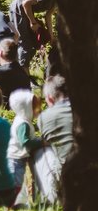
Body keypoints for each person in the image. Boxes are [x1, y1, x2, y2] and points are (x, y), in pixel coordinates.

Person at [32, 75, 73, 203]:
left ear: (49, 98)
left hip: (68, 172)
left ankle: (50, 199)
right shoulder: (87, 108)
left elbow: (47, 143)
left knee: (40, 152)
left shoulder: (44, 118)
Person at [9, 0, 56, 70]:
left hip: (27, 10)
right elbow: (25, 3)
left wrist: (51, 36)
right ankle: (23, 78)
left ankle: (24, 73)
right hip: (18, 8)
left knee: (34, 43)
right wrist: (33, 22)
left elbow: (48, 15)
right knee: (25, 42)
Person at [7, 89, 42, 192]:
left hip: (17, 159)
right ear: (26, 108)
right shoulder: (23, 124)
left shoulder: (22, 119)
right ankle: (12, 205)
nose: (38, 110)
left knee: (17, 184)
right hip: (15, 160)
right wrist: (41, 142)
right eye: (35, 107)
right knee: (16, 186)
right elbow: (25, 142)